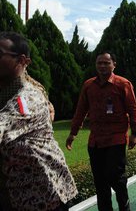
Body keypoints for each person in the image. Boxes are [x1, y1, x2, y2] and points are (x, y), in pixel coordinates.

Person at [0, 32, 77, 210]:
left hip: (44, 196)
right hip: (15, 195)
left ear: (21, 61)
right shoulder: (6, 90)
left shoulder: (27, 99)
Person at [67, 51, 136, 211]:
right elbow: (81, 110)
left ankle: (124, 206)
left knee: (115, 177)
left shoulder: (123, 84)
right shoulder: (88, 85)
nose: (102, 66)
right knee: (100, 182)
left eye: (106, 63)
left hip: (116, 139)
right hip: (95, 141)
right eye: (99, 63)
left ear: (114, 65)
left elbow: (133, 109)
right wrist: (73, 133)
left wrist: (134, 133)